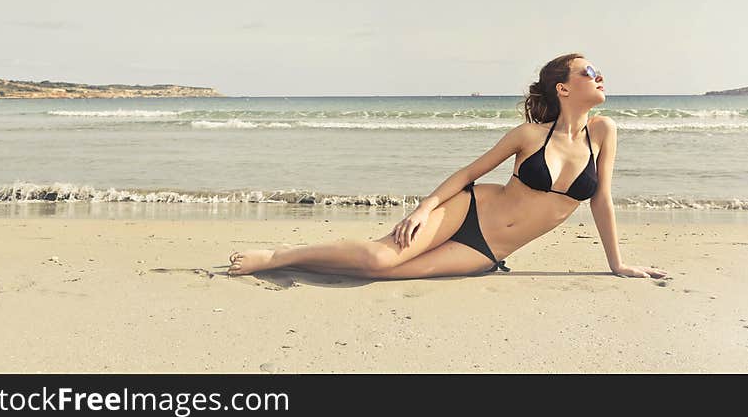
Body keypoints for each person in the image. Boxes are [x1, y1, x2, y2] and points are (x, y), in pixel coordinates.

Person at [227, 53, 667, 280]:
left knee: (385, 273)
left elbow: (601, 200)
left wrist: (618, 263)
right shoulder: (529, 135)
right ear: (564, 88)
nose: (600, 75)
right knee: (381, 257)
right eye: (589, 70)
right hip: (469, 209)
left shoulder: (604, 131)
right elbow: (467, 174)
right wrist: (423, 209)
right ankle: (277, 257)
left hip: (489, 252)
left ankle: (296, 266)